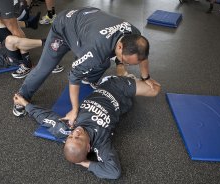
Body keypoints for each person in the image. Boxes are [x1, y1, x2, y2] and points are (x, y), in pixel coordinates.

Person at [13, 7, 154, 127]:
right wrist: (74, 110)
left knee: (103, 61)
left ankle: (90, 78)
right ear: (119, 46)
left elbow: (142, 56)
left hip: (87, 24)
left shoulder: (136, 37)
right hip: (63, 28)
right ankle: (21, 97)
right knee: (44, 68)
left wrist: (146, 77)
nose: (127, 65)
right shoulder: (97, 49)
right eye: (125, 61)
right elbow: (74, 76)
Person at [13, 75, 161, 179]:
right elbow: (114, 172)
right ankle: (127, 76)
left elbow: (44, 118)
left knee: (143, 84)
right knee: (155, 89)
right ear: (89, 147)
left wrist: (25, 104)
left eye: (71, 137)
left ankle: (122, 74)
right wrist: (84, 163)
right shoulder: (102, 144)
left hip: (107, 84)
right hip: (122, 96)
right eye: (78, 138)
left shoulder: (65, 130)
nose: (75, 133)